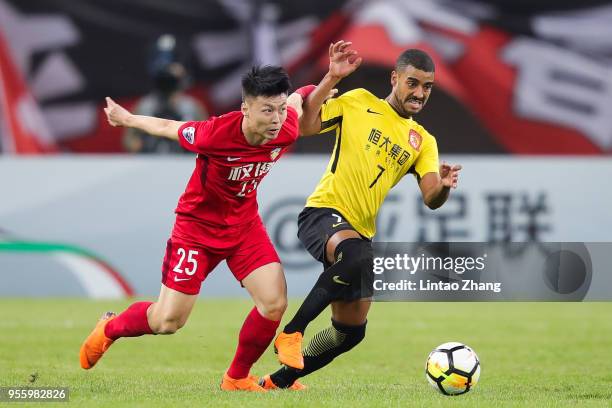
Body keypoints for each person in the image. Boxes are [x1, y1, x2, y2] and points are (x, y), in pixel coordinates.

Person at [80, 64, 318, 392]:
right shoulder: (216, 133)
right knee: (168, 321)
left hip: (244, 227)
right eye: (267, 110)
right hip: (197, 231)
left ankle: (236, 378)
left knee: (274, 302)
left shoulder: (286, 126)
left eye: (278, 110)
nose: (276, 119)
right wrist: (128, 119)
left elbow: (297, 98)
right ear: (245, 108)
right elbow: (168, 125)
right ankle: (110, 328)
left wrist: (326, 82)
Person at [262, 41, 462, 389]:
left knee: (351, 332)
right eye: (412, 83)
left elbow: (432, 198)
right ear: (394, 78)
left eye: (427, 86)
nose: (419, 93)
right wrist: (330, 78)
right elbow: (305, 127)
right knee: (356, 255)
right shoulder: (358, 102)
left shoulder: (423, 141)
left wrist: (444, 185)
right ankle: (292, 333)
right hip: (323, 212)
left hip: (359, 233)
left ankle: (278, 382)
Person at [123, 34, 207, 154]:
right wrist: (144, 142)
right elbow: (130, 142)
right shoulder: (144, 107)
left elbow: (206, 143)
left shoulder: (192, 108)